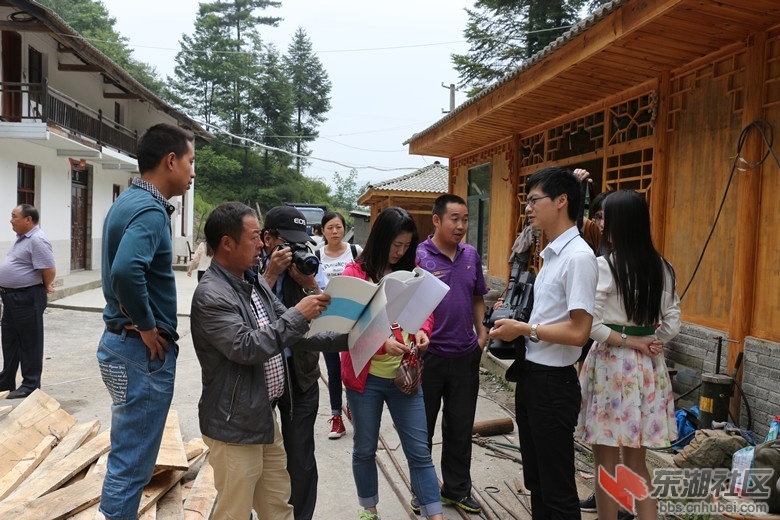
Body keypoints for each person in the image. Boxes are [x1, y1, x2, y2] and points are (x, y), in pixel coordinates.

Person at [190, 202, 346, 520]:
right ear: (227, 244)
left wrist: (353, 338)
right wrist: (298, 313)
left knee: (277, 506)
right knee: (233, 512)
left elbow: (295, 333)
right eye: (253, 237)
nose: (262, 244)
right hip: (235, 424)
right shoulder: (212, 295)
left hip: (263, 417)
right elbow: (247, 347)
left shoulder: (253, 281)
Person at [97, 123, 195, 520]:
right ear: (170, 161)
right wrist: (148, 324)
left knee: (127, 454)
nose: (191, 173)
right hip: (140, 352)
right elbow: (125, 271)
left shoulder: (127, 201)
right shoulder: (151, 212)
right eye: (190, 162)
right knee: (133, 463)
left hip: (120, 345)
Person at [489, 166, 598, 520]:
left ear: (562, 201)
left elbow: (580, 331)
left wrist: (524, 329)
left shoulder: (579, 257)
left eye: (535, 200)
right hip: (533, 377)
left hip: (554, 383)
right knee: (537, 480)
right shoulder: (552, 254)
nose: (528, 209)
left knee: (557, 488)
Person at [576, 190, 680, 520]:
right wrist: (650, 339)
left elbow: (588, 325)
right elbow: (673, 320)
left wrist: (627, 340)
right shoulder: (662, 267)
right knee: (636, 464)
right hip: (648, 369)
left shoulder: (602, 266)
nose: (601, 224)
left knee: (605, 464)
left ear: (619, 223)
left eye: (605, 218)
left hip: (610, 365)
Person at [341, 206, 443, 520]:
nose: (399, 252)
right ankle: (369, 509)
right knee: (365, 447)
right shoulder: (354, 273)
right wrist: (380, 343)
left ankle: (435, 514)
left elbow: (425, 309)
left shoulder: (412, 271)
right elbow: (347, 326)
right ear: (380, 239)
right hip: (366, 378)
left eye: (405, 246)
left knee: (419, 452)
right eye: (395, 245)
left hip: (405, 376)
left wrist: (424, 331)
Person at [415, 194, 488, 515]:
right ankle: (423, 491)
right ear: (437, 220)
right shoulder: (419, 256)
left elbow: (477, 297)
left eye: (465, 219)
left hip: (464, 355)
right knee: (422, 428)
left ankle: (457, 489)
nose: (460, 226)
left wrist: (481, 332)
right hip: (428, 357)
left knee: (460, 427)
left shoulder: (471, 254)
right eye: (454, 219)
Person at [260, 205, 327, 520]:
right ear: (268, 238)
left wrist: (309, 283)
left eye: (301, 241)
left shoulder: (310, 264)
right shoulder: (251, 265)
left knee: (300, 456)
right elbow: (244, 313)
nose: (295, 249)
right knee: (257, 456)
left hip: (301, 374)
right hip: (262, 377)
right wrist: (271, 275)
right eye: (288, 242)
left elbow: (329, 318)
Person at [0, 204, 56, 399]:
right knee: (9, 340)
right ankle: (6, 380)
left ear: (28, 220)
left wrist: (45, 286)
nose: (11, 220)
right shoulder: (21, 238)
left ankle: (30, 384)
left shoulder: (37, 240)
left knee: (30, 342)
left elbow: (49, 269)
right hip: (10, 297)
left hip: (27, 297)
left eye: (14, 216)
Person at [316, 210, 362, 440]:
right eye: (330, 228)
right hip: (327, 320)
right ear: (322, 231)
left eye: (339, 227)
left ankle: (354, 408)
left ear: (344, 229)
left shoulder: (356, 252)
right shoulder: (316, 255)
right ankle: (337, 417)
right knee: (334, 370)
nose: (335, 231)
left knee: (353, 367)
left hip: (353, 319)